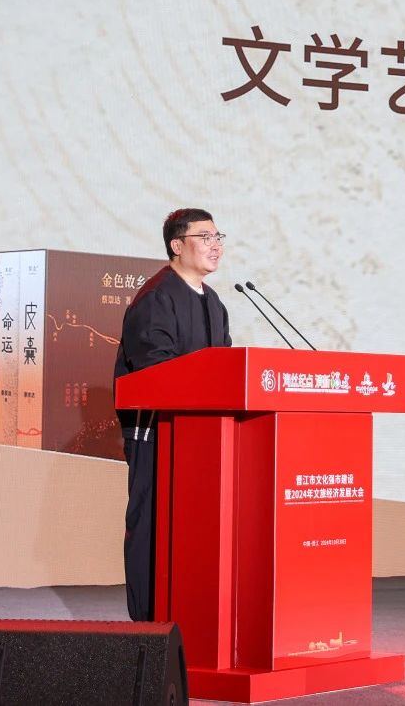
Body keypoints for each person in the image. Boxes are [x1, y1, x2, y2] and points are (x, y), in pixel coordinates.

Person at [113, 207, 232, 621]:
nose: (215, 246)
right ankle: (147, 621)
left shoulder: (214, 302)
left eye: (218, 237)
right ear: (177, 245)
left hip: (200, 436)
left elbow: (224, 369)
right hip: (158, 434)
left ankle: (187, 613)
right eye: (205, 237)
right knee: (152, 524)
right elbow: (156, 370)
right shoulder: (156, 298)